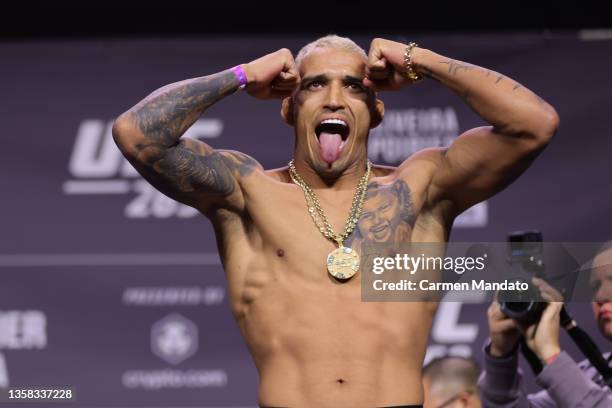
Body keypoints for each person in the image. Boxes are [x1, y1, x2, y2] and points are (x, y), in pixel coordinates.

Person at [112, 34, 559, 407]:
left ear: (376, 112)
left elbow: (534, 125)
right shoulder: (247, 192)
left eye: (353, 86)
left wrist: (418, 59)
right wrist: (243, 74)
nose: (333, 100)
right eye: (314, 86)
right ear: (289, 108)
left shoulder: (421, 188)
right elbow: (136, 133)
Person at [478, 242, 612, 407]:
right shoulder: (591, 374)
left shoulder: (578, 377)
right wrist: (501, 356)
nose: (601, 296)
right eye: (595, 287)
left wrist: (552, 356)